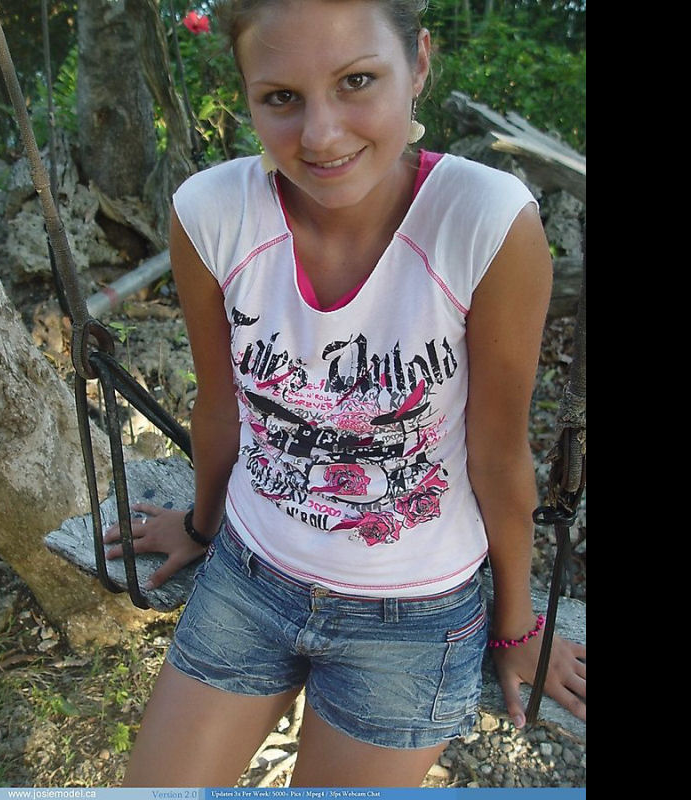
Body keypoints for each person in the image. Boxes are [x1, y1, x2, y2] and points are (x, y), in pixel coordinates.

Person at [103, 0, 586, 787]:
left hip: (413, 618)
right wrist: (200, 524)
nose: (321, 136)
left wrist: (515, 627)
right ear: (247, 94)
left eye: (357, 81)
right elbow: (220, 407)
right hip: (248, 578)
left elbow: (499, 458)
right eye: (281, 97)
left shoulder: (484, 222)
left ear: (418, 63)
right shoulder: (213, 212)